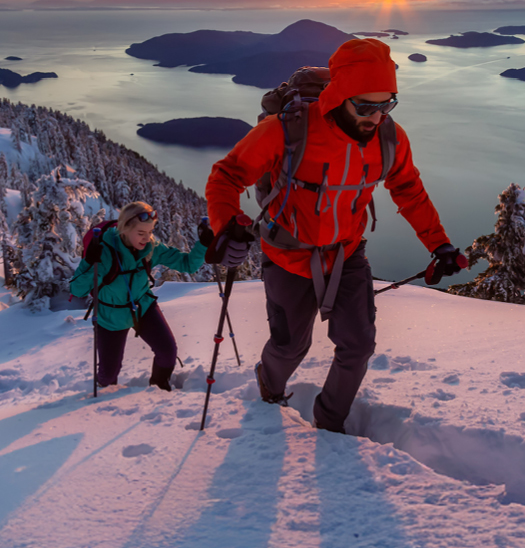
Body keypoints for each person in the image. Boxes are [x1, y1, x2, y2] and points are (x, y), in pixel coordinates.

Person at [205, 38, 464, 433]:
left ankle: (329, 425)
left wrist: (439, 244)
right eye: (365, 106)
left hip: (346, 255)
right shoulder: (287, 130)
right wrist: (228, 224)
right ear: (340, 96)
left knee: (357, 345)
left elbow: (407, 188)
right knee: (291, 346)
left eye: (386, 104)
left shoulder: (389, 139)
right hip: (288, 256)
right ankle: (269, 387)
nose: (376, 117)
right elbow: (227, 175)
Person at [69, 201, 211, 391]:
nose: (147, 238)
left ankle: (159, 388)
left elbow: (187, 264)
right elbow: (77, 290)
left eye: (150, 232)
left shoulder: (150, 247)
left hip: (142, 307)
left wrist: (203, 245)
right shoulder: (103, 252)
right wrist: (89, 262)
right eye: (141, 233)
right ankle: (104, 397)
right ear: (124, 230)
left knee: (167, 352)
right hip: (111, 316)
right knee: (108, 375)